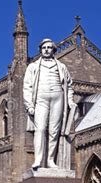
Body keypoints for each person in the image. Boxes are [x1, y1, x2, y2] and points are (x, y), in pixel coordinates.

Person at [23, 39, 75, 169]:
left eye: (49, 47)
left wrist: (69, 100)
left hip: (58, 98)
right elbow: (27, 86)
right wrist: (29, 105)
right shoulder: (33, 66)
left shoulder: (62, 67)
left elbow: (69, 85)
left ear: (53, 50)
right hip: (41, 98)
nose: (46, 49)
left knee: (54, 131)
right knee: (40, 129)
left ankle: (51, 160)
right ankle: (38, 160)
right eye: (44, 47)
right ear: (40, 50)